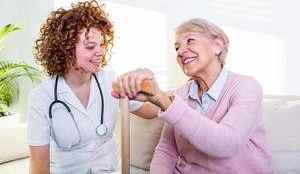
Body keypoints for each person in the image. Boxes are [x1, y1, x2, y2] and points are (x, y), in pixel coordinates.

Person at [112, 18, 272, 173]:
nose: (180, 52)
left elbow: (227, 144)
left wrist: (163, 100)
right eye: (176, 47)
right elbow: (166, 151)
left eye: (190, 41)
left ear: (218, 45)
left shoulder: (246, 87)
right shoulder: (181, 94)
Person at [27, 0, 158, 174]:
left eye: (102, 44)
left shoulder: (111, 81)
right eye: (90, 46)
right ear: (64, 50)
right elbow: (39, 161)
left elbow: (150, 111)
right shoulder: (42, 96)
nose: (101, 52)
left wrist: (161, 91)